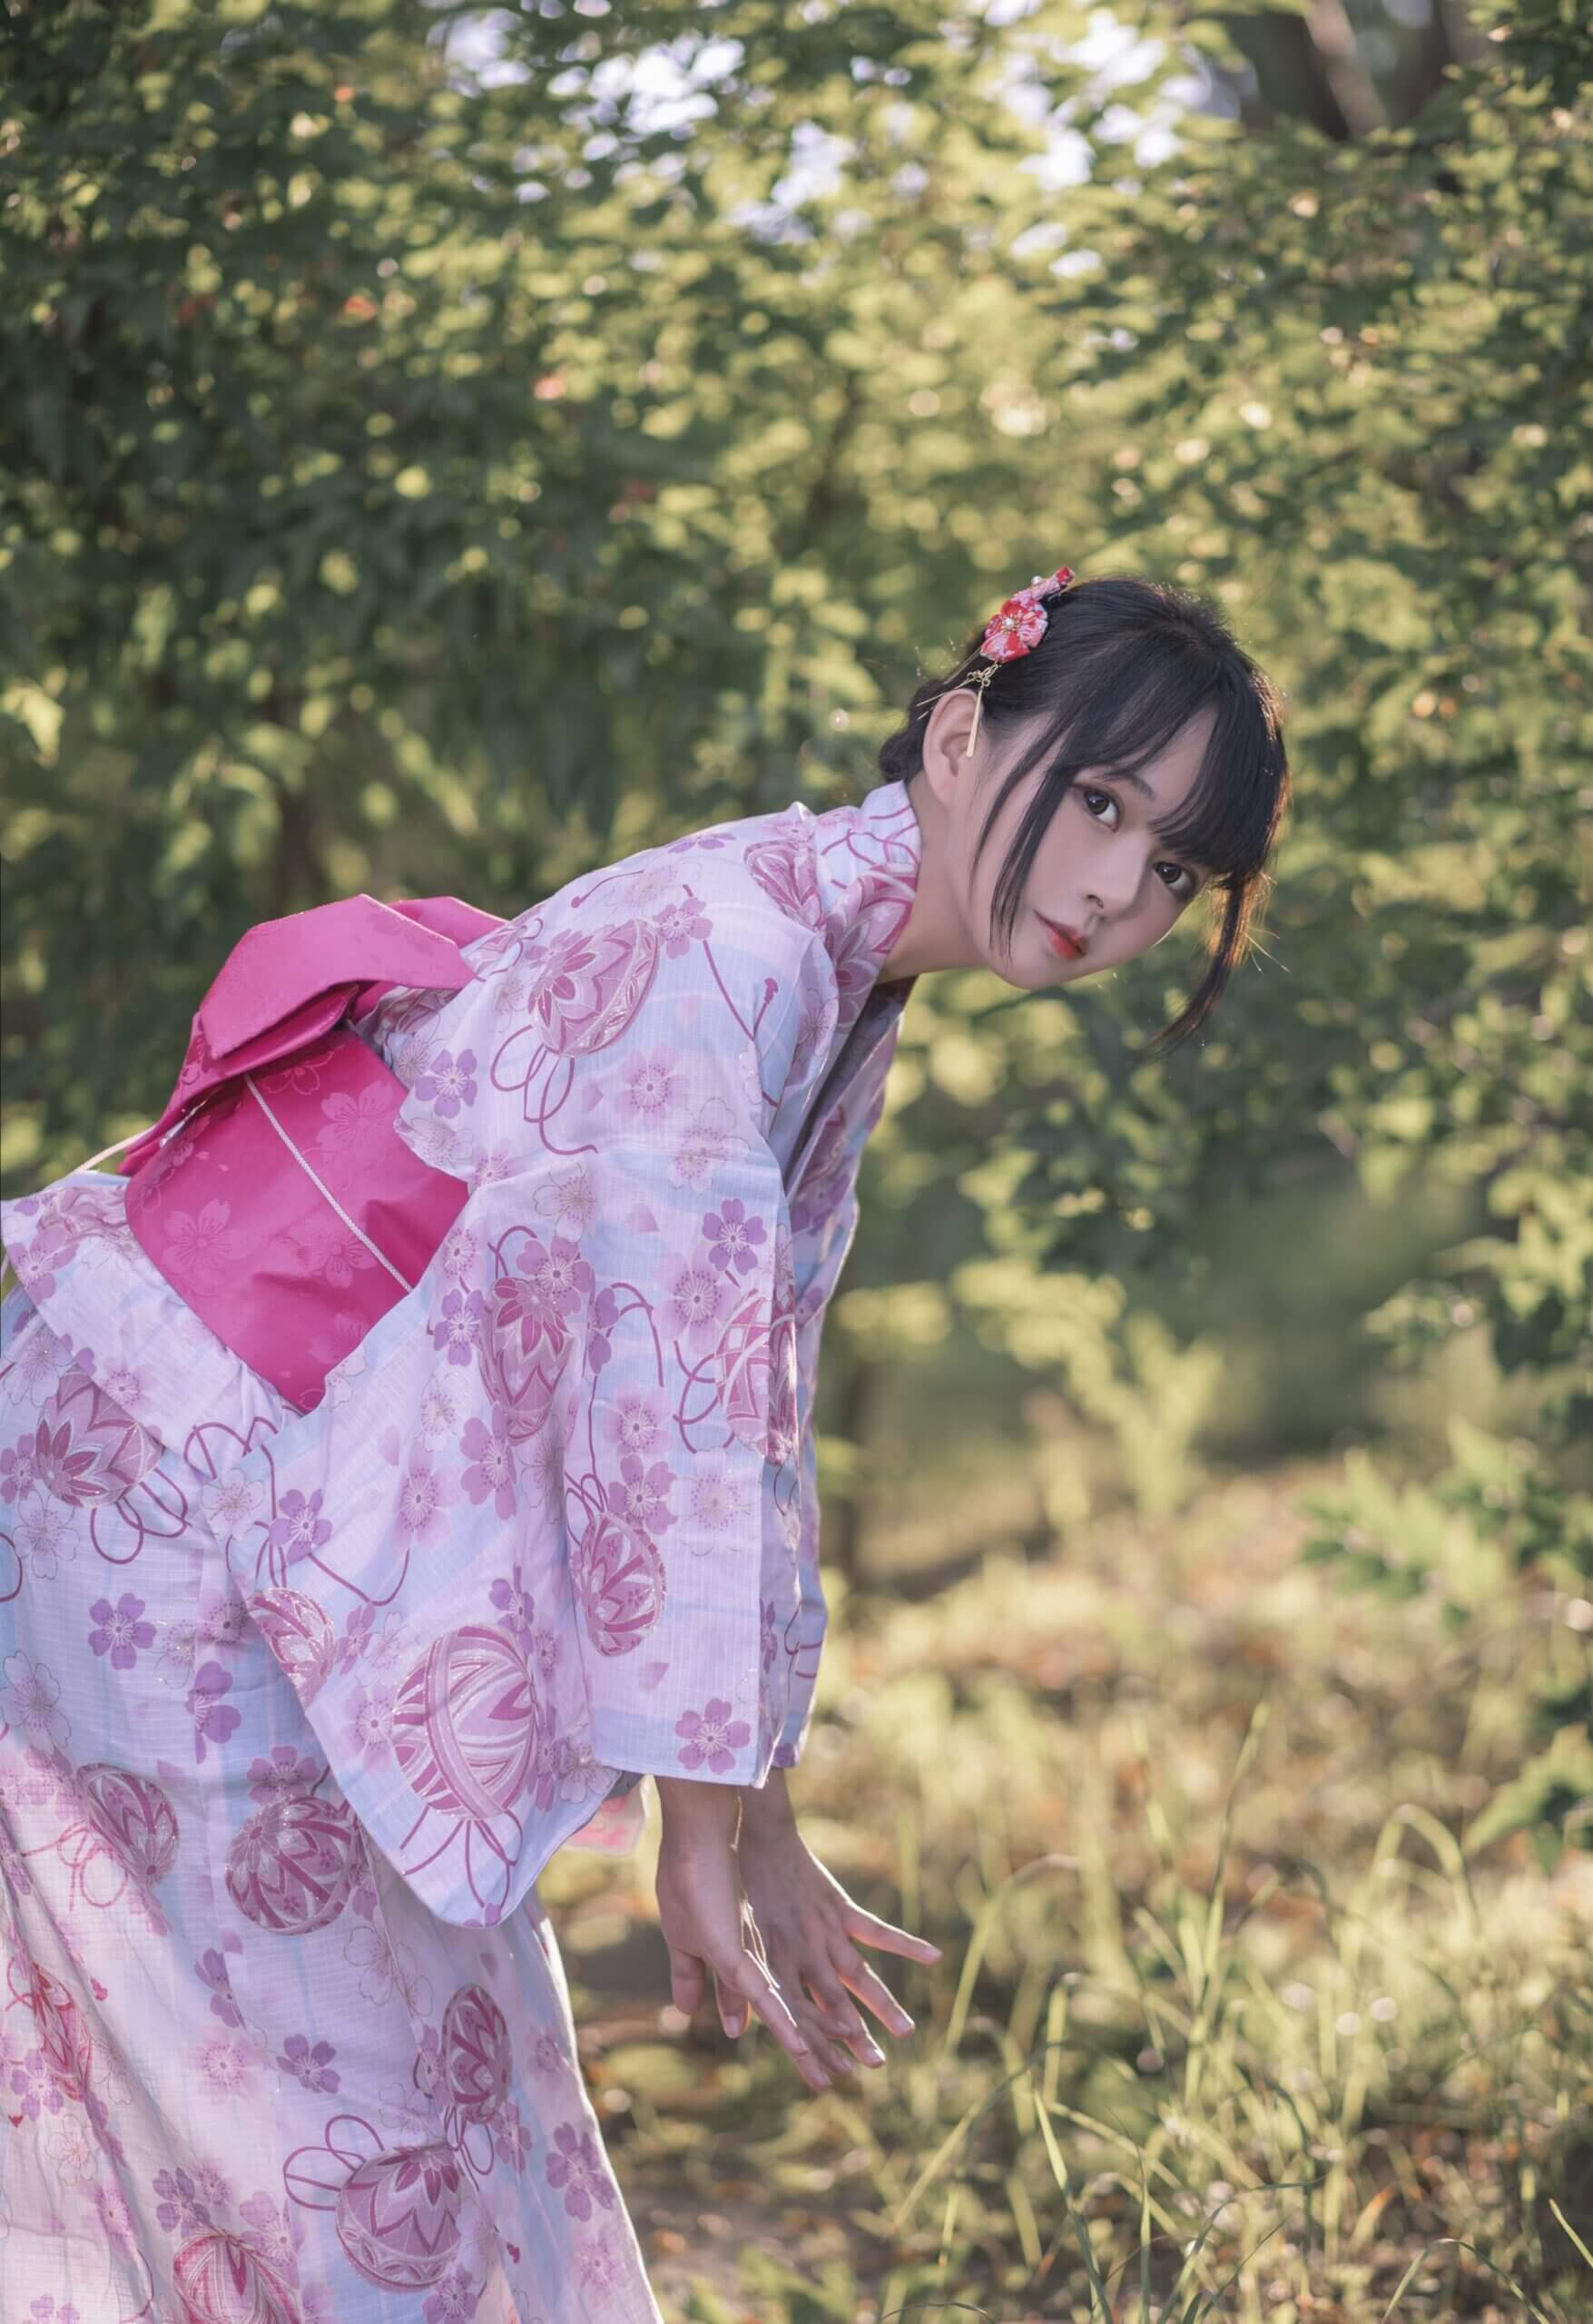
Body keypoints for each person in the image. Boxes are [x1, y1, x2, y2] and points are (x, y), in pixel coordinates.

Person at [0, 566, 1289, 2321]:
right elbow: (668, 1425)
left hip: (230, 1481)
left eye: (1177, 868)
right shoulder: (740, 954)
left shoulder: (827, 959)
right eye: (1102, 804)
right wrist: (699, 1828)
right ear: (960, 736)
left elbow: (742, 1413)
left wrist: (756, 1817)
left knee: (413, 2099)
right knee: (346, 2142)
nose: (1121, 889)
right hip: (163, 1494)